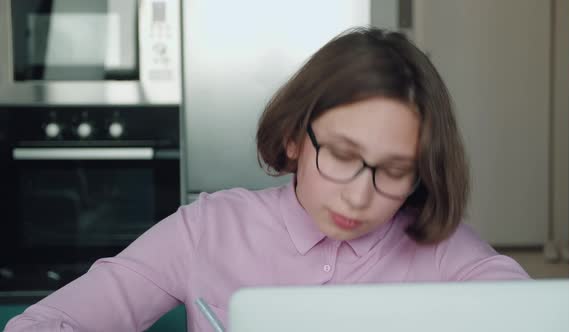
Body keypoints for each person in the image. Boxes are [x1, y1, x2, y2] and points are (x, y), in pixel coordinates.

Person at [5, 27, 529, 332]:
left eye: (393, 171)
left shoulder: (439, 249)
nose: (360, 194)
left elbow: (535, 318)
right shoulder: (207, 230)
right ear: (295, 138)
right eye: (343, 156)